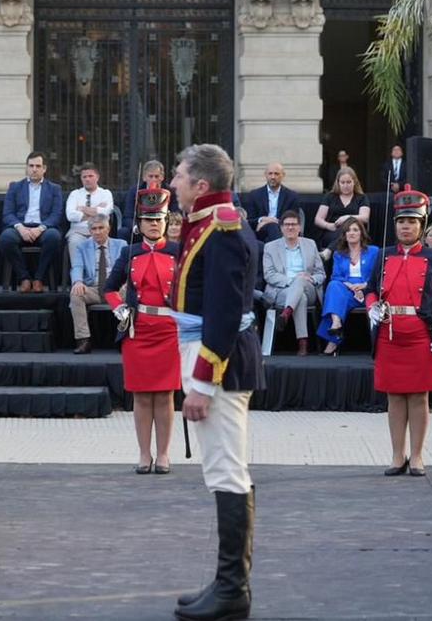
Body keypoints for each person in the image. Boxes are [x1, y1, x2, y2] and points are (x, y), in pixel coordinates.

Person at [169, 143, 263, 621]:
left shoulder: (222, 229)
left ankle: (232, 590)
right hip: (213, 357)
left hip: (220, 365)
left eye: (179, 176)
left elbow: (224, 315)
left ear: (201, 185)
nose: (172, 183)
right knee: (223, 468)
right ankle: (229, 583)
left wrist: (202, 384)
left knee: (227, 470)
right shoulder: (208, 222)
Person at [366, 185, 432, 478]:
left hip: (420, 335)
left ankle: (416, 456)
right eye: (401, 222)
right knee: (394, 397)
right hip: (389, 334)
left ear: (422, 225)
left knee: (418, 397)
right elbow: (371, 290)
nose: (406, 227)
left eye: (412, 222)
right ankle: (397, 455)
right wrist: (371, 306)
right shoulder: (384, 254)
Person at [104, 184, 179, 474]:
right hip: (138, 331)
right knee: (142, 395)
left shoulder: (177, 252)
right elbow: (109, 289)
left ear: (166, 221)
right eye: (148, 220)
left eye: (158, 219)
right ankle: (144, 454)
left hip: (169, 331)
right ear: (139, 223)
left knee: (165, 395)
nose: (154, 225)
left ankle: (164, 454)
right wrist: (120, 309)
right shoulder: (130, 253)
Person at [262, 210, 325, 356]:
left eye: (294, 224)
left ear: (300, 227)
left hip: (308, 288)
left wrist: (311, 279)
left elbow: (321, 273)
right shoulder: (270, 247)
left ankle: (286, 313)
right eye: (287, 224)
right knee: (300, 297)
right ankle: (303, 343)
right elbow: (269, 275)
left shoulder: (310, 244)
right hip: (281, 290)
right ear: (281, 228)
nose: (290, 227)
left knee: (301, 281)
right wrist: (293, 280)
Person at [0, 151, 64, 292]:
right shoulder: (15, 187)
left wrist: (40, 228)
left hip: (44, 228)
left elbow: (56, 215)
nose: (34, 169)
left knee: (54, 237)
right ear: (27, 167)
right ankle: (24, 278)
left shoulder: (54, 189)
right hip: (20, 227)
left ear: (44, 169)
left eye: (38, 166)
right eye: (31, 166)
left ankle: (39, 279)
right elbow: (7, 213)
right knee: (6, 238)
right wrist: (20, 228)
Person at [317, 218, 378, 356]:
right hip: (347, 291)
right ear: (344, 235)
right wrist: (351, 286)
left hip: (367, 291)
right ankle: (336, 323)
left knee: (335, 300)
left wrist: (364, 286)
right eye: (348, 231)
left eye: (355, 230)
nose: (351, 233)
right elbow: (336, 276)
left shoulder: (374, 251)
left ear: (361, 233)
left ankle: (333, 339)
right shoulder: (339, 254)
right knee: (333, 286)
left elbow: (378, 275)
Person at [68, 215, 126, 354]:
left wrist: (126, 282)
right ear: (90, 231)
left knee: (129, 292)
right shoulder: (82, 247)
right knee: (76, 294)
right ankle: (83, 340)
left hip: (115, 289)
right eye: (94, 229)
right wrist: (78, 281)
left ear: (108, 229)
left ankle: (124, 338)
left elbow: (128, 268)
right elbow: (77, 267)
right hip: (93, 288)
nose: (97, 232)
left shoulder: (121, 244)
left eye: (101, 228)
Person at [64, 162, 114, 261]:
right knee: (74, 241)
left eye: (90, 176)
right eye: (84, 177)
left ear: (97, 177)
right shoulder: (75, 194)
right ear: (81, 179)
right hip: (78, 232)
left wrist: (82, 209)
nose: (87, 179)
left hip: (100, 231)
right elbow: (70, 216)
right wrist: (97, 210)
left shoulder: (106, 193)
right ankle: (77, 271)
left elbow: (106, 212)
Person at [119, 160, 179, 241]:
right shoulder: (134, 191)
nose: (154, 179)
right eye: (150, 176)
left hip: (163, 229)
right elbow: (128, 217)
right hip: (140, 230)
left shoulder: (170, 192)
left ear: (162, 177)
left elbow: (175, 214)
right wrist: (138, 228)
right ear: (144, 177)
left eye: (157, 176)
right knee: (123, 232)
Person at [243, 162, 301, 243]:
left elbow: (293, 220)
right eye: (270, 174)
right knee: (272, 227)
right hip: (260, 232)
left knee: (272, 227)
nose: (273, 177)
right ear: (265, 175)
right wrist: (261, 220)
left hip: (282, 231)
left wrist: (270, 221)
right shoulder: (254, 195)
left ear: (283, 175)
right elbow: (249, 220)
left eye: (276, 174)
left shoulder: (291, 196)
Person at [314, 167, 370, 250]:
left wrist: (347, 218)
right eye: (342, 182)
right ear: (338, 183)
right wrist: (329, 226)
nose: (345, 186)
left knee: (347, 230)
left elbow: (365, 217)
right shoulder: (330, 197)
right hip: (332, 231)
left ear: (354, 182)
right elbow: (318, 219)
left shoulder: (362, 198)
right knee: (341, 233)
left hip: (354, 231)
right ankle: (330, 250)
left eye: (348, 182)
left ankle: (329, 250)